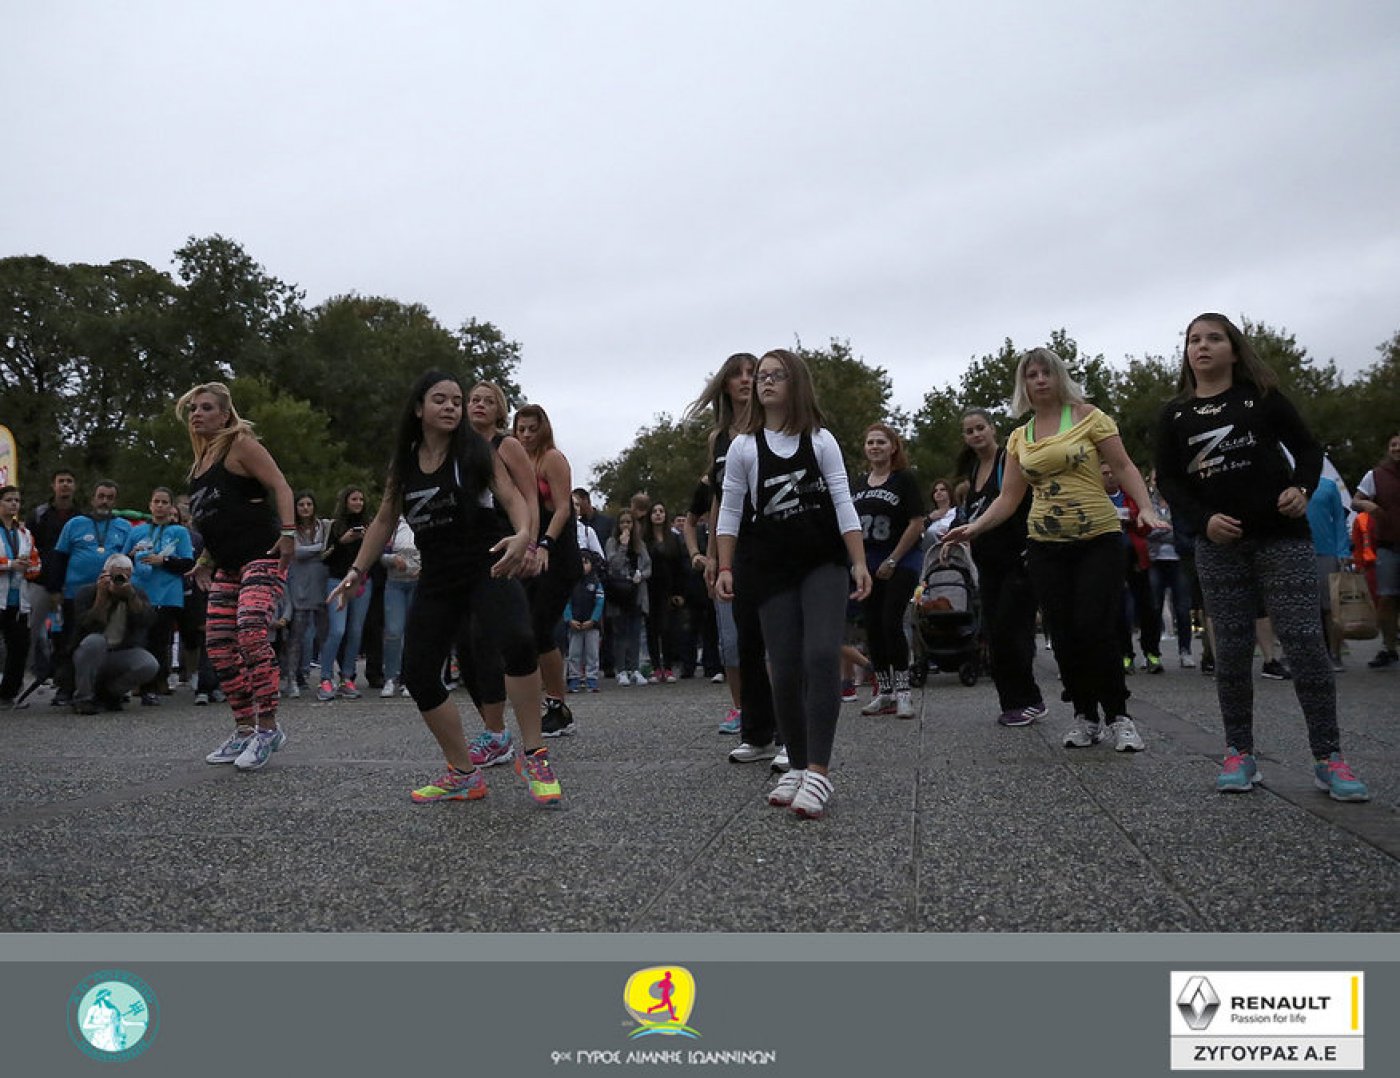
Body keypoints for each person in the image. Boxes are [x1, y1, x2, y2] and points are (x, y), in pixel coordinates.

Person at [1154, 313, 1368, 800]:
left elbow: (1309, 450)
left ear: (1233, 349)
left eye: (1214, 338)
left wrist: (1301, 488)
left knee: (1304, 642)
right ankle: (1239, 753)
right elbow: (1168, 479)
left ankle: (1329, 757)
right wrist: (1202, 520)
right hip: (1218, 546)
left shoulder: (1263, 398)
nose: (1202, 346)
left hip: (1282, 538)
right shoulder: (1175, 414)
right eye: (1193, 339)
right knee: (1230, 651)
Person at [329, 370, 561, 807]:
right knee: (418, 674)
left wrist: (523, 536)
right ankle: (463, 773)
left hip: (486, 563)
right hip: (437, 575)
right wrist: (357, 570)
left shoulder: (475, 451)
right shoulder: (405, 462)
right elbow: (384, 519)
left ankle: (534, 754)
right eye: (441, 399)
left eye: (457, 399)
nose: (452, 406)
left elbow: (512, 497)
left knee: (518, 640)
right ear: (419, 408)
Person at [945, 348, 1164, 753]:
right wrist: (974, 527)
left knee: (1094, 626)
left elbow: (1123, 466)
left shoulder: (1088, 417)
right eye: (1032, 375)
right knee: (1062, 633)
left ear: (1059, 376)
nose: (1040, 380)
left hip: (1097, 538)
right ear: (1023, 385)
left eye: (1046, 372)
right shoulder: (1019, 437)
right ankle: (1085, 716)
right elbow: (1009, 498)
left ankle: (1119, 716)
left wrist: (1146, 507)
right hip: (1045, 545)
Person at [715, 349, 871, 819]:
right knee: (782, 667)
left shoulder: (820, 440)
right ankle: (798, 764)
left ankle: (818, 771)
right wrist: (725, 567)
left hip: (823, 562)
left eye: (776, 375)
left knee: (820, 654)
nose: (765, 382)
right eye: (761, 376)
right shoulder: (744, 447)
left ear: (795, 383)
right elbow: (730, 511)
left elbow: (843, 501)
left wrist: (858, 561)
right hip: (771, 567)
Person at [179, 381, 296, 772]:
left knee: (250, 632)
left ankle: (268, 729)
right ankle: (244, 728)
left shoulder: (240, 445)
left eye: (206, 407)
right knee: (218, 644)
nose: (197, 414)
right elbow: (216, 518)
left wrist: (289, 532)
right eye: (194, 408)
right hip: (227, 565)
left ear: (225, 414)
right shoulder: (199, 464)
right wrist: (205, 558)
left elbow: (280, 484)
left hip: (262, 555)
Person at [683, 352, 781, 762]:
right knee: (743, 643)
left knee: (778, 640)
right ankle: (757, 734)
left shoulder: (774, 426)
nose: (745, 380)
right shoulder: (719, 438)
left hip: (774, 541)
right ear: (725, 384)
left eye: (752, 373)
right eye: (737, 374)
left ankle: (790, 734)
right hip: (734, 547)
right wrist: (712, 557)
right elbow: (720, 499)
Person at [956, 408, 1046, 727]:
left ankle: (1030, 699)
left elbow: (1013, 502)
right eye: (969, 431)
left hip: (1017, 559)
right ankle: (1012, 702)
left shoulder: (1008, 460)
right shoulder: (972, 470)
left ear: (993, 429)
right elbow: (971, 515)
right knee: (994, 633)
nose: (976, 435)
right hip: (988, 564)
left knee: (1012, 630)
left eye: (980, 428)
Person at [513, 404, 583, 736]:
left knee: (540, 627)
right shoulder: (515, 461)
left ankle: (557, 705)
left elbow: (564, 508)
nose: (526, 435)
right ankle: (542, 702)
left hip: (557, 552)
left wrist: (545, 544)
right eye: (521, 429)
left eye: (532, 428)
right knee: (525, 629)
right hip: (529, 552)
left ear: (543, 429)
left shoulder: (552, 458)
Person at [851, 423, 925, 719]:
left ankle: (904, 692)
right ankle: (884, 692)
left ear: (893, 447)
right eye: (870, 442)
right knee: (872, 625)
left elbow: (916, 522)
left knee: (891, 621)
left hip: (901, 560)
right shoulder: (858, 483)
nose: (875, 447)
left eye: (881, 442)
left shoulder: (904, 479)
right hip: (868, 561)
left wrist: (893, 559)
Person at [49, 480, 135, 706]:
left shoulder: (125, 527)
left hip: (111, 595)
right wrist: (55, 590)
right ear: (92, 499)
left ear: (115, 501)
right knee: (70, 641)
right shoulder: (75, 524)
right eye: (101, 496)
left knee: (106, 641)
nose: (105, 501)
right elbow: (59, 558)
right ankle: (65, 688)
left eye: (110, 497)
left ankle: (104, 687)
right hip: (75, 594)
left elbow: (128, 560)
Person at [123, 487, 195, 704]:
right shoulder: (137, 531)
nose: (160, 506)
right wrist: (132, 555)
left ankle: (153, 686)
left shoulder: (179, 533)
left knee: (159, 641)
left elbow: (187, 563)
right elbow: (123, 560)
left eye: (165, 502)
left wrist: (164, 560)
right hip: (139, 592)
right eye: (157, 502)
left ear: (171, 507)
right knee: (137, 639)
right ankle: (135, 682)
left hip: (166, 594)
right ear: (150, 505)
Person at [71, 553, 159, 714]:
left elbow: (147, 621)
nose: (120, 580)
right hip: (88, 656)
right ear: (104, 574)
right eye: (116, 576)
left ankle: (110, 694)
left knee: (148, 664)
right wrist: (102, 597)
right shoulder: (87, 592)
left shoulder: (136, 593)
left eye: (126, 577)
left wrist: (131, 597)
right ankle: (84, 698)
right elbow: (84, 626)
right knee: (95, 641)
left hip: (119, 653)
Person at [315, 486, 373, 700]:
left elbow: (375, 556)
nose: (358, 503)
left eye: (361, 499)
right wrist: (342, 542)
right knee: (337, 630)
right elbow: (324, 557)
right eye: (354, 499)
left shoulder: (369, 526)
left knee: (356, 631)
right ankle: (325, 678)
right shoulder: (334, 526)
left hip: (362, 582)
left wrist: (366, 540)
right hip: (337, 580)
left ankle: (347, 677)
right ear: (346, 502)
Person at [23, 468, 77, 684]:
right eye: (61, 481)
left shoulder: (81, 516)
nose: (65, 485)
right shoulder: (39, 515)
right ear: (53, 485)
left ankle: (66, 677)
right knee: (31, 630)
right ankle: (24, 676)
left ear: (74, 486)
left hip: (72, 583)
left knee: (71, 632)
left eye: (69, 481)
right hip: (41, 582)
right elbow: (27, 545)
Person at [1351, 432, 1400, 668]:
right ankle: (1388, 648)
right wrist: (1366, 504)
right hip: (1388, 546)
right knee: (1387, 598)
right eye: (1393, 445)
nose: (1397, 448)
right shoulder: (1376, 475)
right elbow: (1355, 501)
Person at [1144, 470, 1196, 669]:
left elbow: (1185, 531)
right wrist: (1166, 530)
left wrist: (1162, 529)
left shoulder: (1180, 503)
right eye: (1156, 479)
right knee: (1154, 607)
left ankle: (1185, 651)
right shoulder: (1148, 504)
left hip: (1178, 559)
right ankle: (1152, 652)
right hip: (1155, 559)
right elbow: (1146, 530)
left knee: (1183, 608)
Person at [0, 486, 42, 705]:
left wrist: (28, 567)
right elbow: (9, 563)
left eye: (17, 500)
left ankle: (8, 694)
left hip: (19, 600)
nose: (14, 504)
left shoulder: (24, 533)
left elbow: (36, 563)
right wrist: (9, 564)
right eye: (9, 500)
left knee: (19, 647)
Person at [286, 490, 330, 696]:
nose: (305, 508)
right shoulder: (291, 529)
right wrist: (321, 549)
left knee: (325, 634)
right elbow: (295, 551)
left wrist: (317, 550)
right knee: (297, 635)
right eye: (301, 504)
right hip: (299, 584)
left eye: (309, 504)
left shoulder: (324, 526)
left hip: (321, 583)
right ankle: (292, 679)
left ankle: (327, 677)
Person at [1307, 476, 1351, 671]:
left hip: (1326, 551)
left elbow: (1340, 519)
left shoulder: (1328, 485)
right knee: (1298, 607)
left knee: (1330, 607)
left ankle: (1334, 654)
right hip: (1295, 550)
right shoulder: (1285, 484)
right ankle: (1301, 654)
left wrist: (1343, 551)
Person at [605, 509, 651, 685]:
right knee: (620, 633)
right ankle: (621, 670)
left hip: (636, 593)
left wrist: (641, 574)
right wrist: (623, 546)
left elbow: (648, 567)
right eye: (622, 522)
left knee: (635, 633)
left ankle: (635, 669)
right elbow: (613, 565)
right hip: (619, 593)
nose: (626, 525)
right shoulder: (612, 542)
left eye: (629, 522)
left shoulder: (640, 544)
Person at [642, 501, 686, 683]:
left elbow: (679, 567)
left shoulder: (674, 538)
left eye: (661, 511)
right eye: (655, 511)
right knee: (651, 629)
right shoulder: (644, 539)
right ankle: (655, 668)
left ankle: (668, 667)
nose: (658, 514)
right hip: (649, 588)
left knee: (668, 629)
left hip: (669, 589)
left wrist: (679, 592)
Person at [379, 514, 420, 697]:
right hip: (395, 584)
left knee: (414, 631)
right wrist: (392, 559)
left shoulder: (423, 520)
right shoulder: (394, 524)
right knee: (393, 631)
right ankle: (390, 677)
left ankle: (409, 678)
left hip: (418, 583)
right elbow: (380, 554)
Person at [565, 549, 605, 692]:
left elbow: (600, 603)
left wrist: (593, 620)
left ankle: (592, 679)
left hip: (592, 626)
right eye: (579, 562)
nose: (582, 566)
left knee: (592, 653)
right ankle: (574, 678)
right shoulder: (570, 583)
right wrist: (569, 619)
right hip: (575, 625)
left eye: (586, 562)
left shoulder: (596, 582)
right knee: (574, 653)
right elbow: (566, 602)